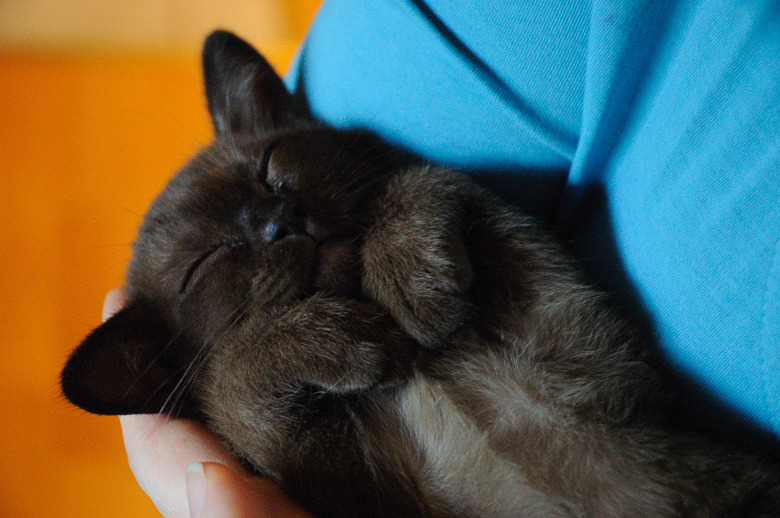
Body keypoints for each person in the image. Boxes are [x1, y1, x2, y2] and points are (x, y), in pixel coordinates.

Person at [118, 0, 780, 516]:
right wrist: (241, 377)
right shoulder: (266, 407)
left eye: (268, 168)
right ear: (161, 364)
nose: (273, 218)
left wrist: (416, 198)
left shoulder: (391, 206)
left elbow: (598, 369)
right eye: (209, 265)